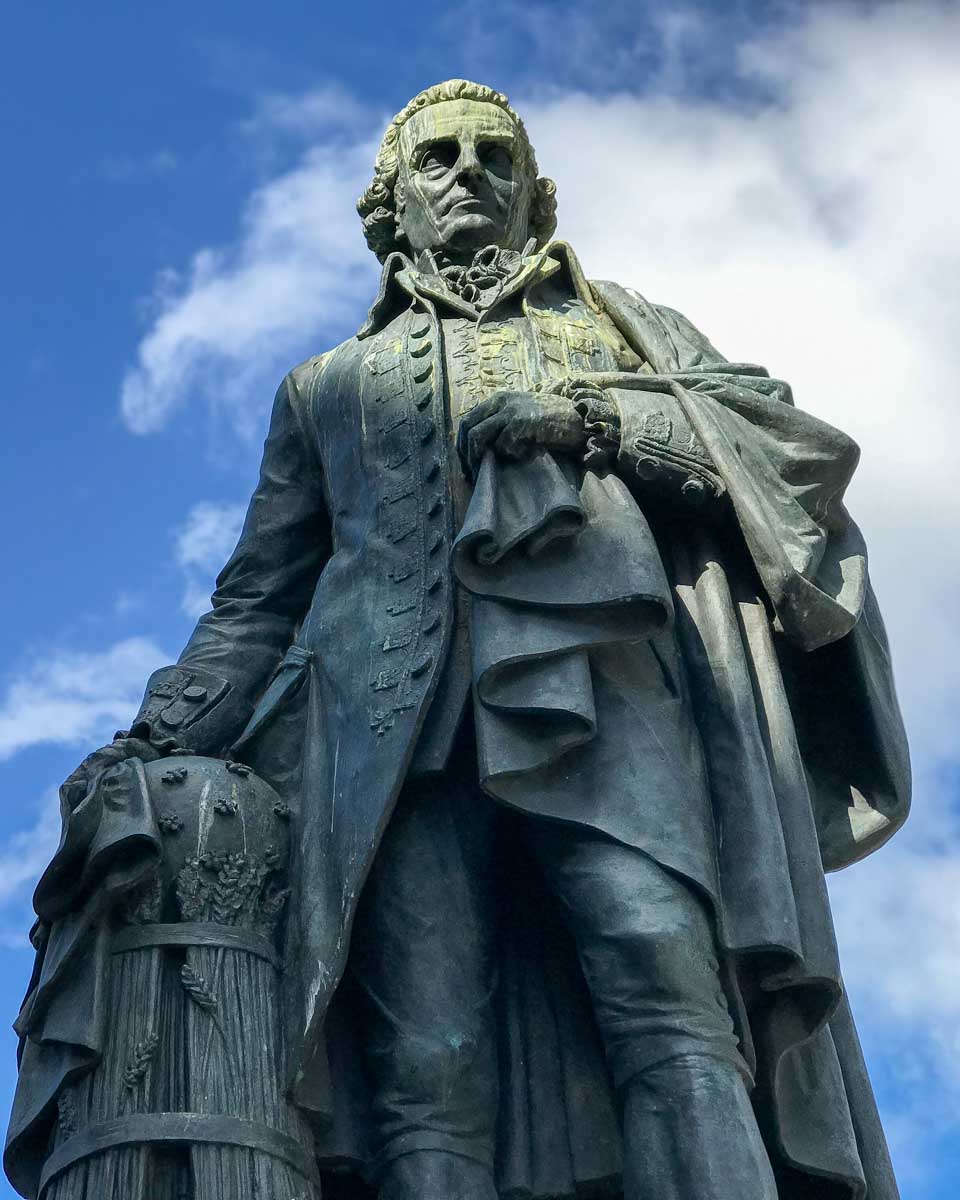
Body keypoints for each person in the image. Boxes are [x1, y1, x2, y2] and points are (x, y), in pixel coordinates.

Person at [12, 79, 910, 1200]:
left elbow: (779, 447)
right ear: (392, 205)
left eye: (494, 159)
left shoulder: (616, 325)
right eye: (438, 160)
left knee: (666, 989)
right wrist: (151, 737)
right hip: (392, 744)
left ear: (535, 196)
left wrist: (594, 417)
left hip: (608, 699)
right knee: (426, 1065)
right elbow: (256, 602)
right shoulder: (327, 389)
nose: (469, 177)